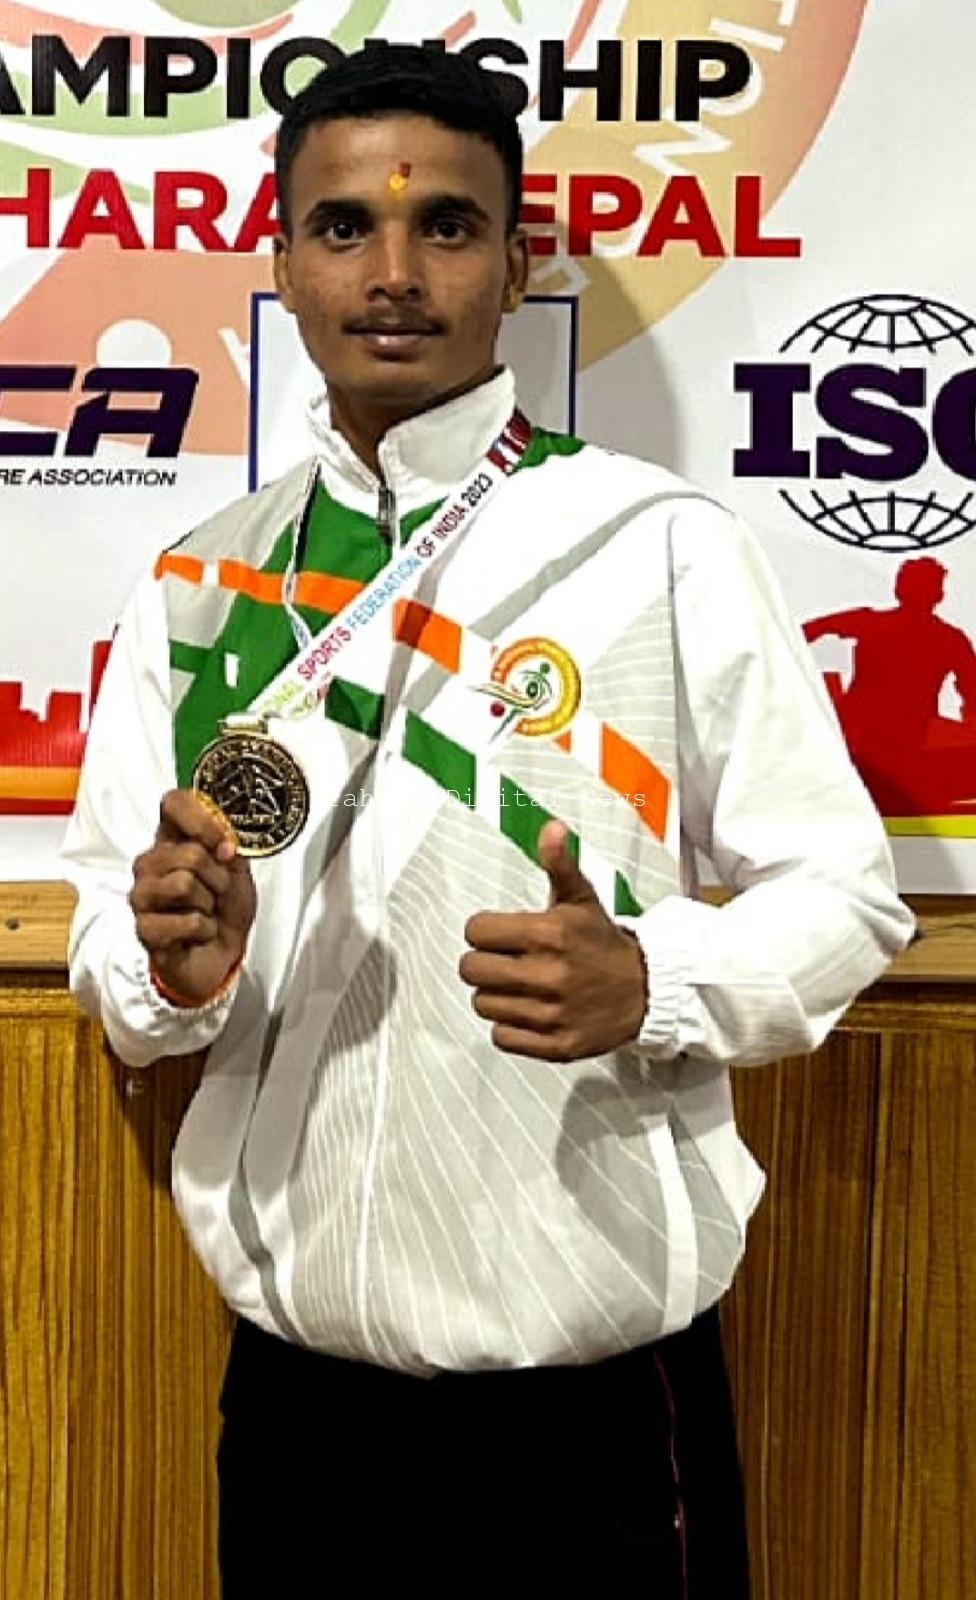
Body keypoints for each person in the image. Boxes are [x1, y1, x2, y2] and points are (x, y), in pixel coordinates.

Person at [62, 43, 914, 1599]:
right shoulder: (195, 587)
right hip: (300, 1408)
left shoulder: (658, 545)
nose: (394, 274)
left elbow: (847, 896)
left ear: (518, 265)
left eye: (446, 225)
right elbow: (116, 971)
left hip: (596, 1403)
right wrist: (173, 971)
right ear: (281, 264)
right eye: (344, 227)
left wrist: (655, 980)